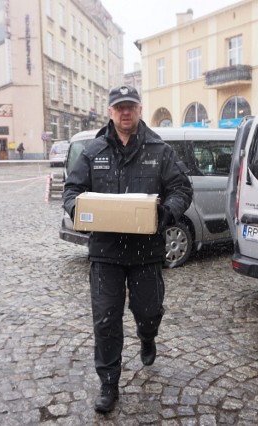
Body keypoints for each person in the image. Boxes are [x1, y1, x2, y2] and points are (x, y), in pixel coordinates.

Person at [62, 85, 193, 413]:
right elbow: (72, 191)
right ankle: (109, 383)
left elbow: (181, 188)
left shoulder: (158, 150)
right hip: (105, 252)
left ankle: (148, 335)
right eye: (119, 107)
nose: (125, 112)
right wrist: (80, 212)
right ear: (110, 111)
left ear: (138, 109)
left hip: (146, 252)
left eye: (130, 106)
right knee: (106, 319)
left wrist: (166, 213)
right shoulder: (93, 152)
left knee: (148, 311)